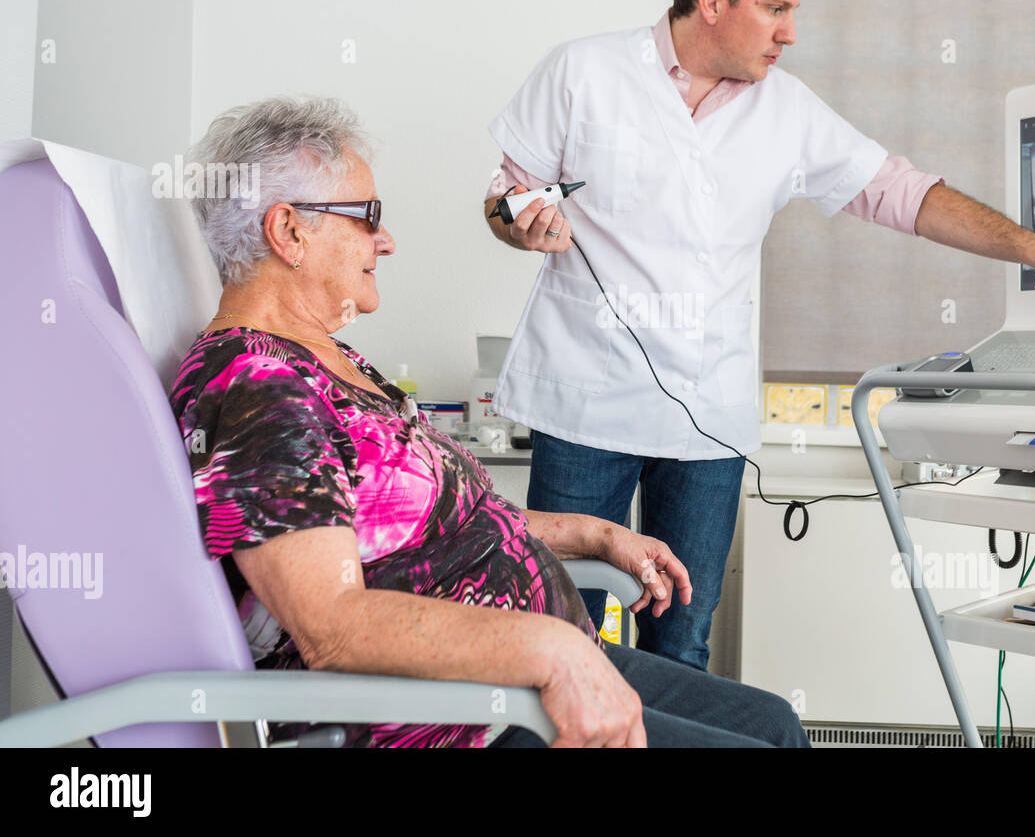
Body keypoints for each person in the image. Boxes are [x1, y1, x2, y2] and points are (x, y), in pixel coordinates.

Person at [483, 0, 1035, 671]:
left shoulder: (786, 108)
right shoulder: (584, 72)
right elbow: (507, 195)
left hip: (705, 421)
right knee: (567, 632)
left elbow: (902, 193)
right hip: (584, 405)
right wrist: (517, 222)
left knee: (680, 642)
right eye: (775, 10)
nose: (788, 34)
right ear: (712, 1)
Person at [170, 95, 809, 748]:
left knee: (775, 724)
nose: (385, 241)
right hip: (454, 721)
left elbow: (438, 523)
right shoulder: (257, 390)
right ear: (289, 232)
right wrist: (553, 652)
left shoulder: (328, 359)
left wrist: (593, 534)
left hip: (519, 671)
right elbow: (331, 624)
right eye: (368, 217)